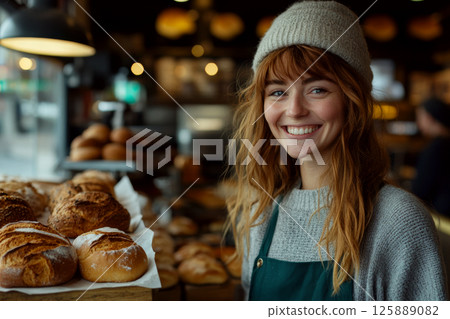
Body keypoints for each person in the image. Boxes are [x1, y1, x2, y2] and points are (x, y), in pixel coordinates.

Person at [226, 1, 448, 301]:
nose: (294, 110)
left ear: (351, 100)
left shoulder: (399, 221)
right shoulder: (261, 214)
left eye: (317, 89)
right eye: (278, 92)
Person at [412, 97, 450, 217]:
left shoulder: (435, 149)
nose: (418, 123)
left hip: (443, 219)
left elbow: (420, 191)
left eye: (419, 117)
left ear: (429, 117)